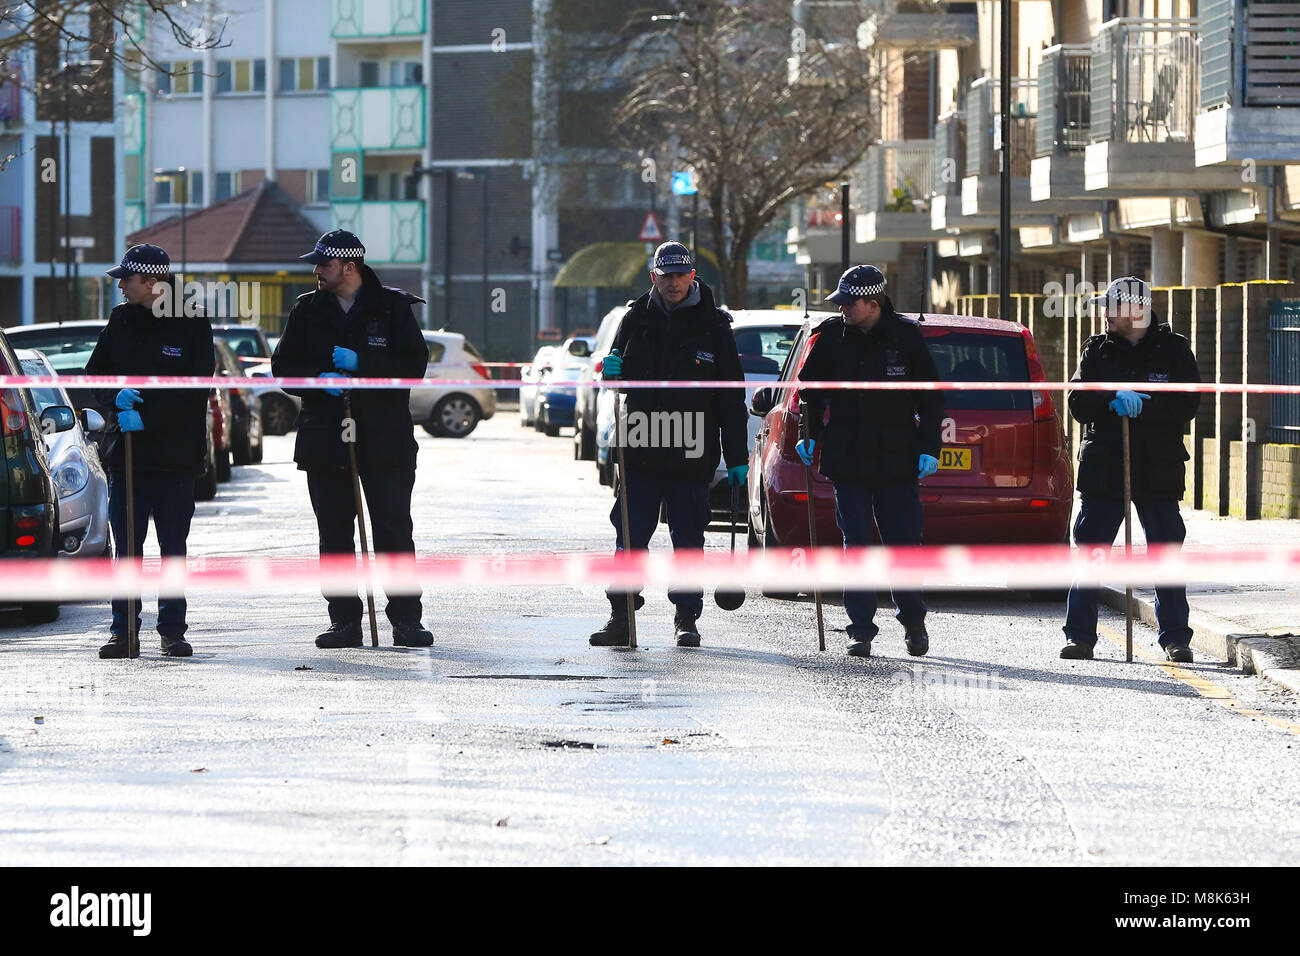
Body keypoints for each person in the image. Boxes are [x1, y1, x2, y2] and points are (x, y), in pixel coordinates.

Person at [271, 230, 433, 649]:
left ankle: (406, 620)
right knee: (335, 535)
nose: (317, 271)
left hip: (384, 438)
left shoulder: (393, 308)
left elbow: (413, 366)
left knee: (394, 531)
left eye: (323, 264)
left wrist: (365, 363)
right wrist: (315, 381)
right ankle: (344, 621)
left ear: (349, 266)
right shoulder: (307, 310)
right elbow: (283, 367)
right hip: (326, 439)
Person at [589, 240, 749, 648]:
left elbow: (731, 397)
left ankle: (686, 618)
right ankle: (621, 616)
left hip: (691, 448)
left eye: (680, 275)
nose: (674, 283)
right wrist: (610, 373)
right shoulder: (635, 320)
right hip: (641, 444)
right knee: (629, 537)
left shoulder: (714, 326)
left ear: (692, 276)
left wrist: (736, 457)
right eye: (666, 276)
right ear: (653, 277)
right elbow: (615, 380)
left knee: (688, 538)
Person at [795, 265, 944, 659]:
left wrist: (930, 446)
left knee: (903, 545)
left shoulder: (907, 338)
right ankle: (860, 628)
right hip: (848, 459)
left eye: (849, 302)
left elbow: (930, 398)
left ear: (872, 304)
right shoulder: (829, 339)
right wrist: (806, 435)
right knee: (856, 543)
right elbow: (809, 393)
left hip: (897, 459)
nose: (842, 308)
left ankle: (913, 621)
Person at [1062, 276, 1201, 662]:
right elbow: (1077, 403)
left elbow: (1188, 406)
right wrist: (1111, 398)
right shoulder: (1097, 351)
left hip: (1158, 468)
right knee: (1092, 550)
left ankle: (1176, 638)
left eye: (1111, 307)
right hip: (1106, 466)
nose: (1105, 314)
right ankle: (1079, 636)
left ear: (1134, 311)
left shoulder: (1174, 351)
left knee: (1166, 552)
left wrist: (1148, 406)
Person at [86, 243, 214, 659]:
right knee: (127, 548)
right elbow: (95, 375)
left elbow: (195, 391)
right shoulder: (121, 320)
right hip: (127, 455)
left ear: (153, 282)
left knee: (173, 547)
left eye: (127, 278)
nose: (121, 285)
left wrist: (149, 418)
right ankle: (123, 630)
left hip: (175, 456)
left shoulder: (192, 323)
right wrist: (113, 402)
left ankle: (172, 630)